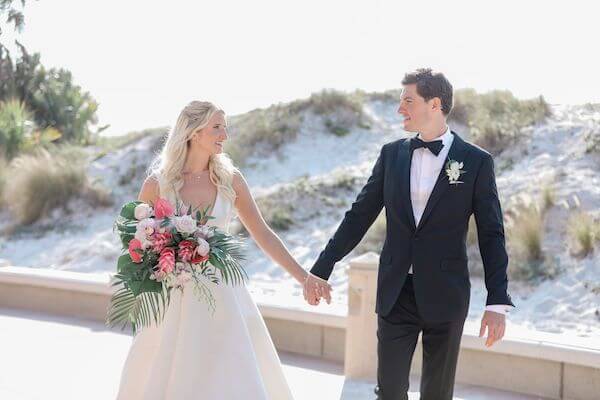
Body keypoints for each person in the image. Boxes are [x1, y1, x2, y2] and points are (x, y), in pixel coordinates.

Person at [303, 68, 516, 400]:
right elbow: (359, 216)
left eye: (407, 101)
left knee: (437, 393)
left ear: (434, 104)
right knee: (389, 389)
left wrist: (497, 300)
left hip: (446, 294)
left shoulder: (476, 161)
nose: (400, 109)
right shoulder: (392, 155)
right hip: (396, 291)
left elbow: (492, 233)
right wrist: (322, 266)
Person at [115, 101, 327, 399]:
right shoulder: (158, 184)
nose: (224, 135)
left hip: (224, 294)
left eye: (224, 127)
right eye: (217, 127)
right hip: (172, 297)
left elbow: (263, 233)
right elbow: (135, 242)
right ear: (192, 132)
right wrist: (161, 258)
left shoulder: (231, 181)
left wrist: (303, 276)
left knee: (231, 373)